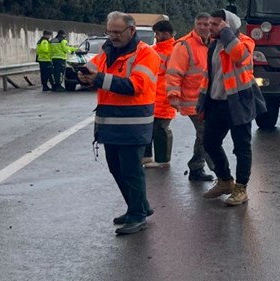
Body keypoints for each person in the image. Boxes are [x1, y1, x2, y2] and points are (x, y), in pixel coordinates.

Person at [77, 12, 160, 235]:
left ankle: (138, 215)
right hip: (110, 123)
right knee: (116, 169)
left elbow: (136, 86)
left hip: (134, 124)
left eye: (117, 32)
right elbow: (93, 70)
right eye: (110, 32)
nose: (112, 36)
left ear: (131, 31)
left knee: (132, 171)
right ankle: (138, 206)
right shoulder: (107, 52)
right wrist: (84, 77)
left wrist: (99, 79)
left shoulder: (146, 54)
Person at [199, 9, 266, 207]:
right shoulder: (214, 44)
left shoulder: (244, 41)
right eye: (209, 23)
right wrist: (203, 101)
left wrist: (227, 32)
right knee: (209, 142)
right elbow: (211, 76)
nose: (210, 27)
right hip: (217, 103)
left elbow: (239, 56)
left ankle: (241, 188)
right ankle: (225, 180)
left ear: (228, 25)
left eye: (215, 24)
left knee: (241, 148)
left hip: (238, 102)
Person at [166, 12, 214, 181]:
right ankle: (223, 175)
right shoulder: (184, 45)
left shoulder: (214, 43)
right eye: (200, 24)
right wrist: (173, 96)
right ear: (195, 25)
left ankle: (196, 168)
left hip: (210, 100)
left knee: (204, 135)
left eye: (207, 24)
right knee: (207, 134)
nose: (203, 27)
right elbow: (174, 72)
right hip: (193, 101)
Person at [143, 19, 177, 169]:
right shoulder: (154, 50)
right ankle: (147, 157)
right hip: (151, 96)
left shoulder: (174, 50)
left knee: (161, 129)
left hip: (164, 97)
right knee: (148, 128)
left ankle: (163, 160)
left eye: (158, 33)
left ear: (167, 34)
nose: (156, 36)